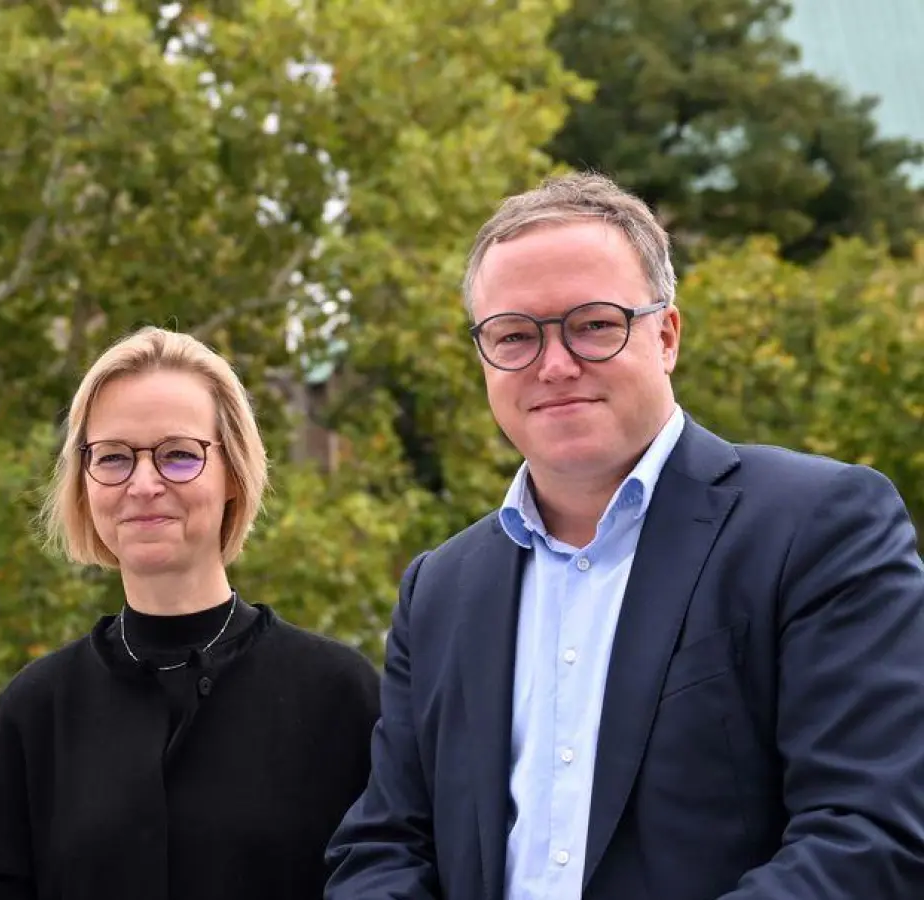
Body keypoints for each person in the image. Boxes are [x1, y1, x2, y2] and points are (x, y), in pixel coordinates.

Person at [323, 172, 924, 899]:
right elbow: (385, 846)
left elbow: (869, 831)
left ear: (666, 335)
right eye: (514, 335)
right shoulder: (441, 588)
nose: (554, 364)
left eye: (594, 325)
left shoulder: (817, 526)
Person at [0, 326, 381, 899]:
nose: (144, 484)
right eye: (113, 458)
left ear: (234, 475)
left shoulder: (338, 696)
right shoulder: (35, 713)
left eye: (179, 456)